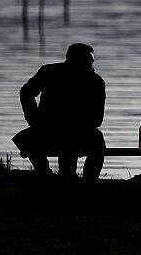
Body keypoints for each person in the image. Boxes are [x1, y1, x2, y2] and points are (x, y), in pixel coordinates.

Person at [13, 43, 106, 183]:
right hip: (56, 131)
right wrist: (33, 118)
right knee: (97, 141)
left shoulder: (49, 71)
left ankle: (57, 176)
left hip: (63, 131)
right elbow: (97, 119)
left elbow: (26, 92)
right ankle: (85, 181)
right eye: (89, 60)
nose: (91, 63)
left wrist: (33, 119)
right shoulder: (95, 81)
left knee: (29, 138)